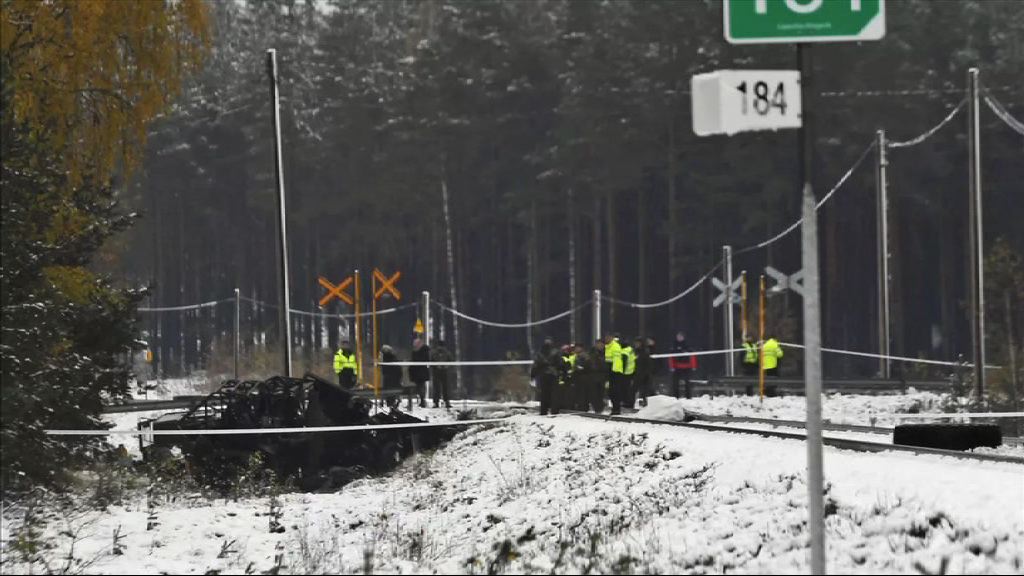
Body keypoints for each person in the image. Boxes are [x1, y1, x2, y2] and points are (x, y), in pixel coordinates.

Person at [531, 337, 560, 415]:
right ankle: (554, 410)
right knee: (554, 394)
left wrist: (533, 375)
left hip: (543, 374)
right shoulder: (556, 351)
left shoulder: (540, 352)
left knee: (544, 394)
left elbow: (536, 364)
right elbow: (560, 363)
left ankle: (544, 410)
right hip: (553, 374)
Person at [668, 332, 697, 399]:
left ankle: (688, 397)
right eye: (678, 336)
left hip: (687, 367)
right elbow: (671, 357)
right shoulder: (674, 346)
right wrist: (672, 367)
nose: (679, 338)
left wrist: (693, 366)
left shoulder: (687, 346)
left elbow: (692, 356)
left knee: (687, 382)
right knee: (675, 383)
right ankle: (676, 396)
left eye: (680, 336)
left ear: (683, 337)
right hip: (677, 367)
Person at [604, 333, 624, 414]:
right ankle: (615, 408)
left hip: (615, 372)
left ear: (611, 338)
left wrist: (613, 370)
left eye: (608, 337)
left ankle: (616, 409)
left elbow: (616, 360)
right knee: (611, 392)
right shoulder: (608, 347)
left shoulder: (615, 346)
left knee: (615, 391)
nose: (606, 339)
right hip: (611, 371)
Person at [408, 338, 430, 408]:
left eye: (415, 344)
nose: (414, 345)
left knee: (421, 386)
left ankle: (422, 401)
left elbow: (422, 360)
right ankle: (421, 400)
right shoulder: (417, 351)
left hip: (420, 372)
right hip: (418, 372)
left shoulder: (423, 351)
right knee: (420, 386)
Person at [430, 340, 453, 408]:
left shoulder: (447, 353)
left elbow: (451, 361)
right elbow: (431, 362)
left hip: (445, 372)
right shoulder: (434, 353)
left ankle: (446, 401)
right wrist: (436, 366)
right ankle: (436, 402)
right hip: (436, 372)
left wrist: (447, 366)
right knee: (436, 387)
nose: (440, 348)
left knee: (445, 387)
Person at [380, 344, 403, 409]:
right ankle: (392, 403)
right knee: (391, 391)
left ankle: (390, 403)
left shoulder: (387, 358)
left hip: (390, 377)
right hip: (393, 377)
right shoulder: (392, 357)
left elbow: (387, 367)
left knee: (389, 391)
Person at [586, 339, 606, 413]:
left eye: (601, 344)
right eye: (598, 344)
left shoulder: (606, 352)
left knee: (601, 393)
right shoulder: (592, 353)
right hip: (593, 376)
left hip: (602, 376)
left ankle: (600, 408)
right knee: (594, 393)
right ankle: (597, 409)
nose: (600, 345)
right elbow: (589, 363)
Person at [634, 337, 655, 408]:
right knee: (640, 390)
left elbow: (648, 363)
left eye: (638, 343)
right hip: (637, 373)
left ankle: (647, 403)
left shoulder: (645, 351)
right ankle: (642, 402)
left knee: (646, 390)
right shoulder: (635, 351)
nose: (636, 344)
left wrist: (646, 373)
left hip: (644, 374)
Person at [621, 338, 637, 409]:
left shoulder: (624, 352)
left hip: (626, 373)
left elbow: (624, 363)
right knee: (629, 389)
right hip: (632, 371)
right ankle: (629, 403)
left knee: (625, 389)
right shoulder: (631, 349)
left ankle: (627, 403)